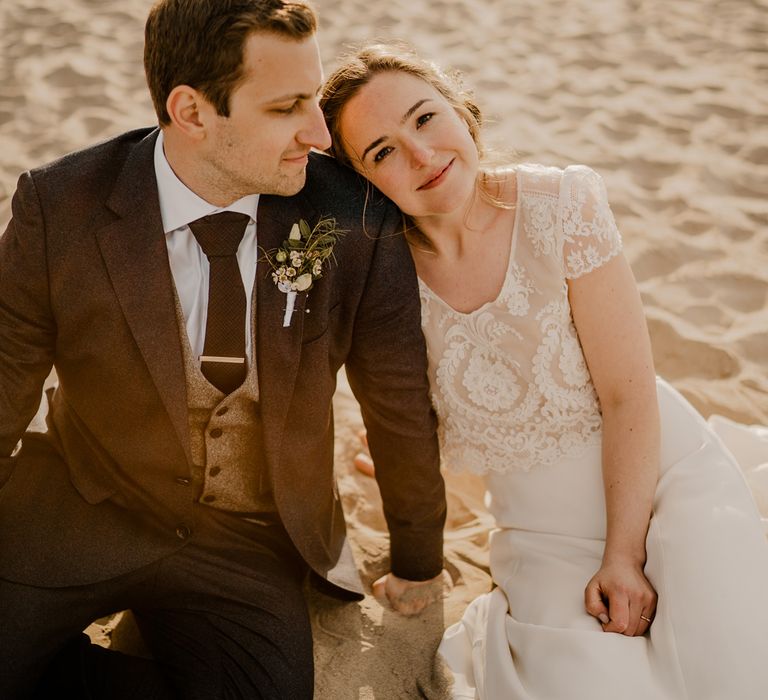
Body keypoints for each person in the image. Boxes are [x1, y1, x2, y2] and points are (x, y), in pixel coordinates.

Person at [0, 4, 448, 697]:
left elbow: (396, 397)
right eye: (286, 107)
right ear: (192, 111)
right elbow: (6, 374)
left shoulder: (353, 218)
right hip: (84, 501)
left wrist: (418, 554)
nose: (319, 132)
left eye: (315, 96)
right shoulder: (61, 205)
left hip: (251, 539)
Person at [320, 42, 768, 699]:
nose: (421, 154)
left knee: (728, 655)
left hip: (661, 475)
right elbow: (419, 416)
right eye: (382, 151)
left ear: (460, 110)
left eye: (424, 118)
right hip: (541, 536)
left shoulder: (561, 206)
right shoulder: (385, 281)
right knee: (591, 684)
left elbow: (628, 395)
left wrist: (624, 556)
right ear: (363, 181)